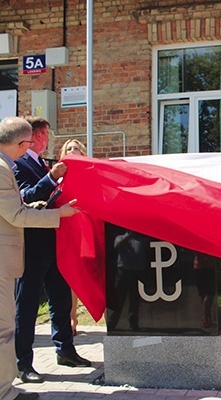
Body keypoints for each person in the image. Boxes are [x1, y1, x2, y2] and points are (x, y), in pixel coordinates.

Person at [0, 116, 79, 400]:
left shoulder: (29, 162)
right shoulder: (9, 166)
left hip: (47, 243)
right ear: (29, 140)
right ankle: (19, 371)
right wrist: (57, 208)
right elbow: (18, 208)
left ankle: (64, 351)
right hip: (25, 248)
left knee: (57, 300)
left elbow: (28, 201)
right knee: (18, 315)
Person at [12, 117, 91, 385]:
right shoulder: (18, 164)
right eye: (46, 135)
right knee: (28, 305)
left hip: (54, 241)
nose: (49, 140)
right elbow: (27, 196)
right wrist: (51, 178)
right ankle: (23, 362)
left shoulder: (40, 163)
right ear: (36, 136)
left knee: (61, 300)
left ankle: (65, 350)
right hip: (32, 245)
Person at [58, 139, 86, 335]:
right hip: (66, 229)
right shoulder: (58, 177)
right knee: (70, 276)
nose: (73, 151)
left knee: (88, 274)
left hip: (86, 227)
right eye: (69, 149)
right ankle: (72, 317)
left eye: (76, 148)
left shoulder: (88, 173)